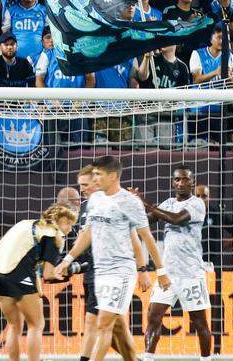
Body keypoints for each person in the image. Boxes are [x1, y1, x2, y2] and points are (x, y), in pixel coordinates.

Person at [53, 155, 171, 361]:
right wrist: (67, 260)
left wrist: (158, 271)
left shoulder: (130, 202)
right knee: (117, 327)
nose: (95, 178)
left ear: (113, 176)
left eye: (98, 174)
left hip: (121, 272)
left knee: (103, 323)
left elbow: (146, 238)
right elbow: (88, 233)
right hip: (99, 271)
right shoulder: (95, 200)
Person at [132, 166, 212, 361]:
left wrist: (144, 201)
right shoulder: (167, 203)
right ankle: (148, 357)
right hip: (167, 274)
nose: (181, 183)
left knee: (199, 322)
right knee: (153, 317)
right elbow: (146, 221)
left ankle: (206, 359)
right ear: (172, 182)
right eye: (177, 180)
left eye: (185, 179)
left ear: (192, 182)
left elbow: (176, 219)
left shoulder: (197, 204)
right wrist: (132, 205)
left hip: (191, 273)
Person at [0, 204, 76, 361]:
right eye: (70, 224)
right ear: (62, 221)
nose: (71, 229)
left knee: (14, 326)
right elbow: (48, 274)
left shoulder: (25, 223)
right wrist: (68, 272)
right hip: (18, 276)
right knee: (36, 325)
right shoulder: (52, 234)